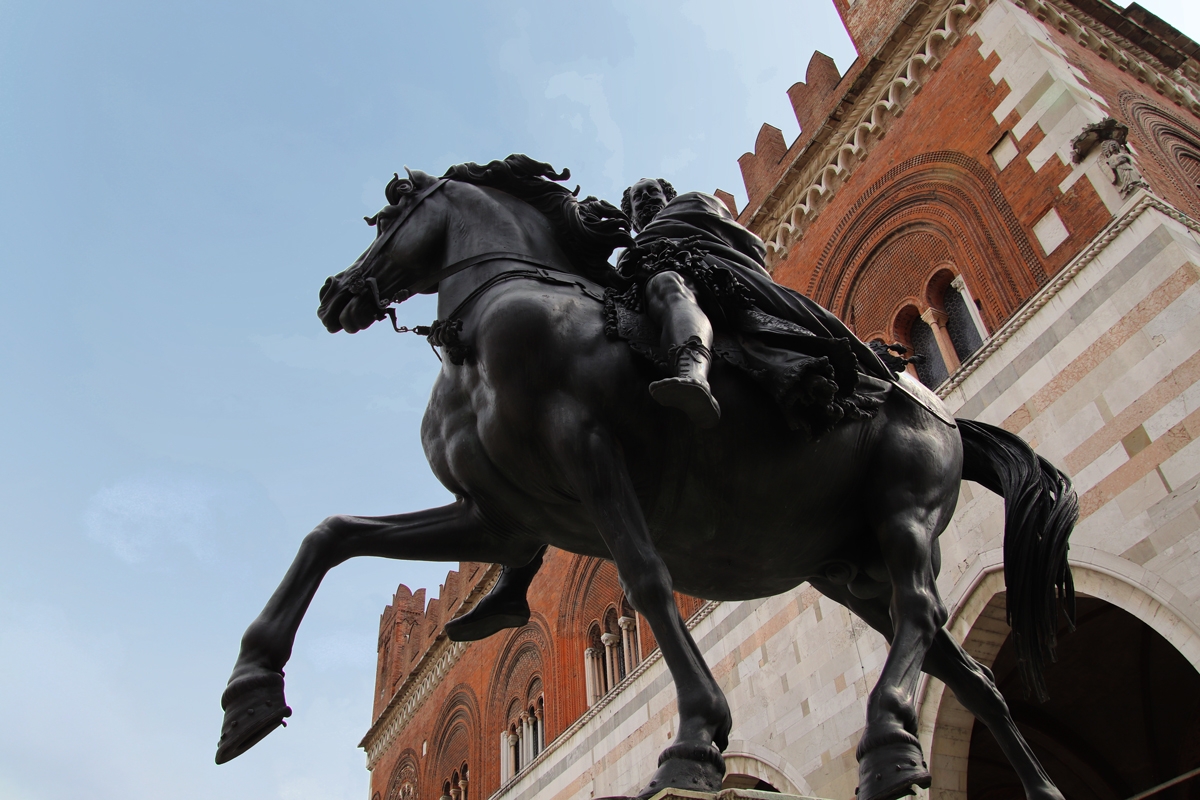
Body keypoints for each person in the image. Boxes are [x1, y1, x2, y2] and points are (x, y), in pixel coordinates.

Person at [445, 177, 896, 642]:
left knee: (666, 286)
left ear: (667, 195)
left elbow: (746, 246)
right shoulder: (632, 255)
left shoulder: (694, 205)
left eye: (648, 195)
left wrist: (659, 249)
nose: (642, 203)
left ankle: (692, 369)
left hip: (707, 288)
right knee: (560, 421)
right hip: (643, 327)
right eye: (635, 200)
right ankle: (514, 579)